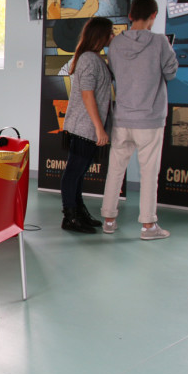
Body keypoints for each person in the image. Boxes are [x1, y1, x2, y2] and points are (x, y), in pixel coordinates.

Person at [100, 0, 178, 240]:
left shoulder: (116, 44)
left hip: (122, 118)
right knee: (149, 174)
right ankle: (148, 226)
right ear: (153, 16)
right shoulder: (160, 42)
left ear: (130, 15)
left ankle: (109, 220)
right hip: (150, 119)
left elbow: (114, 72)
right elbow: (171, 73)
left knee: (115, 171)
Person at [60, 17, 114, 233]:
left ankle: (79, 212)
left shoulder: (93, 58)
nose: (112, 36)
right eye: (110, 33)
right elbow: (87, 94)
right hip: (84, 126)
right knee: (74, 172)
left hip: (87, 126)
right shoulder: (89, 59)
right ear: (100, 35)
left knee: (79, 172)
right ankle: (70, 216)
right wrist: (99, 128)